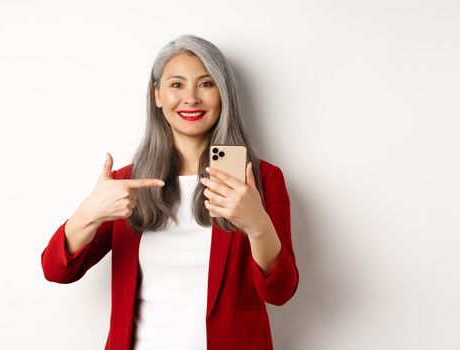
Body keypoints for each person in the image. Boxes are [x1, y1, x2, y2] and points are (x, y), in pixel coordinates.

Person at [41, 34, 299, 350]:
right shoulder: (127, 184)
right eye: (176, 85)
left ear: (224, 94)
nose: (191, 98)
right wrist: (88, 214)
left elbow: (280, 292)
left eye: (206, 84)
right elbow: (56, 271)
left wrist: (257, 225)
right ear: (157, 95)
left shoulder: (260, 179)